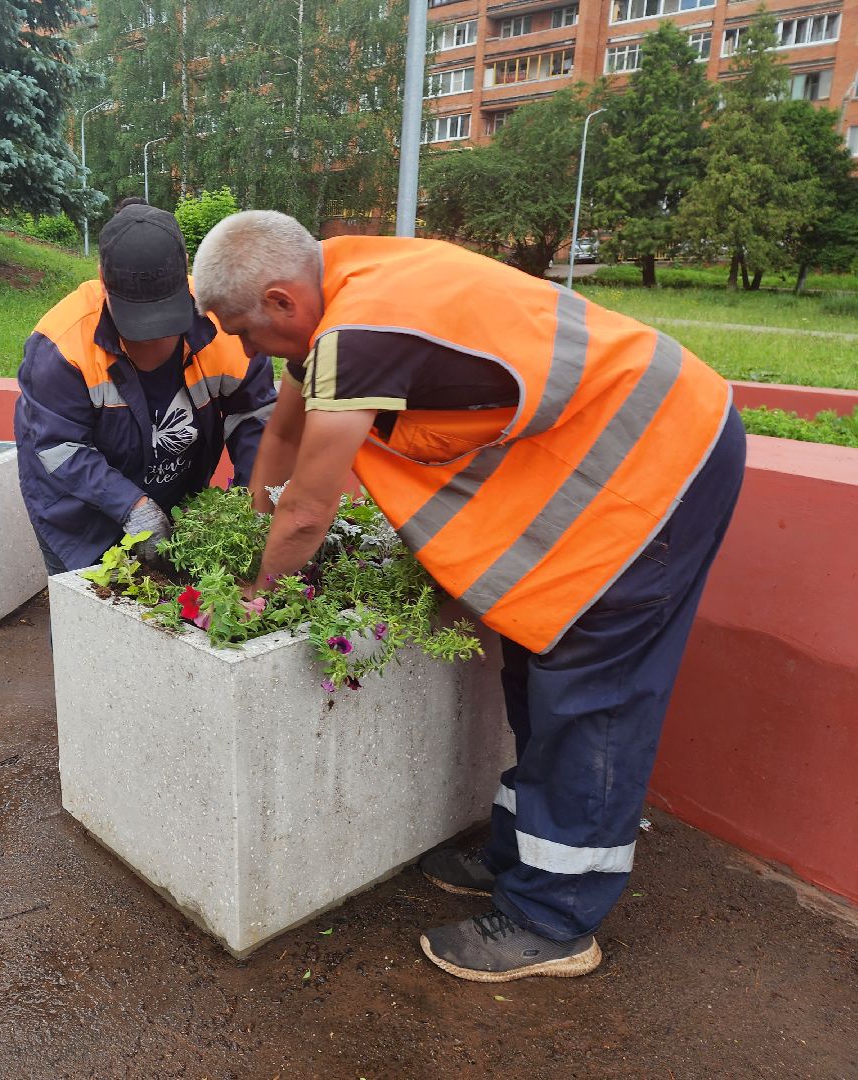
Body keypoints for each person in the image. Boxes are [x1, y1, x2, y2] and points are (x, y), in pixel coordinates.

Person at [191, 210, 746, 983]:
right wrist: (250, 534)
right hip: (607, 471)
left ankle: (553, 920)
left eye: (242, 330)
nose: (245, 350)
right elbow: (281, 444)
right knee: (537, 660)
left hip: (660, 467)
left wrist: (258, 592)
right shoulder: (337, 293)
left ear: (283, 301)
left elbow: (311, 508)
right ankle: (520, 859)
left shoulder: (360, 334)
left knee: (593, 695)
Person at [15, 201, 277, 574]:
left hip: (171, 494)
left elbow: (255, 419)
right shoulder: (61, 346)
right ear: (103, 278)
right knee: (86, 617)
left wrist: (254, 505)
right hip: (78, 511)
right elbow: (58, 448)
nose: (153, 341)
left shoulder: (225, 324)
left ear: (186, 268)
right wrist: (133, 508)